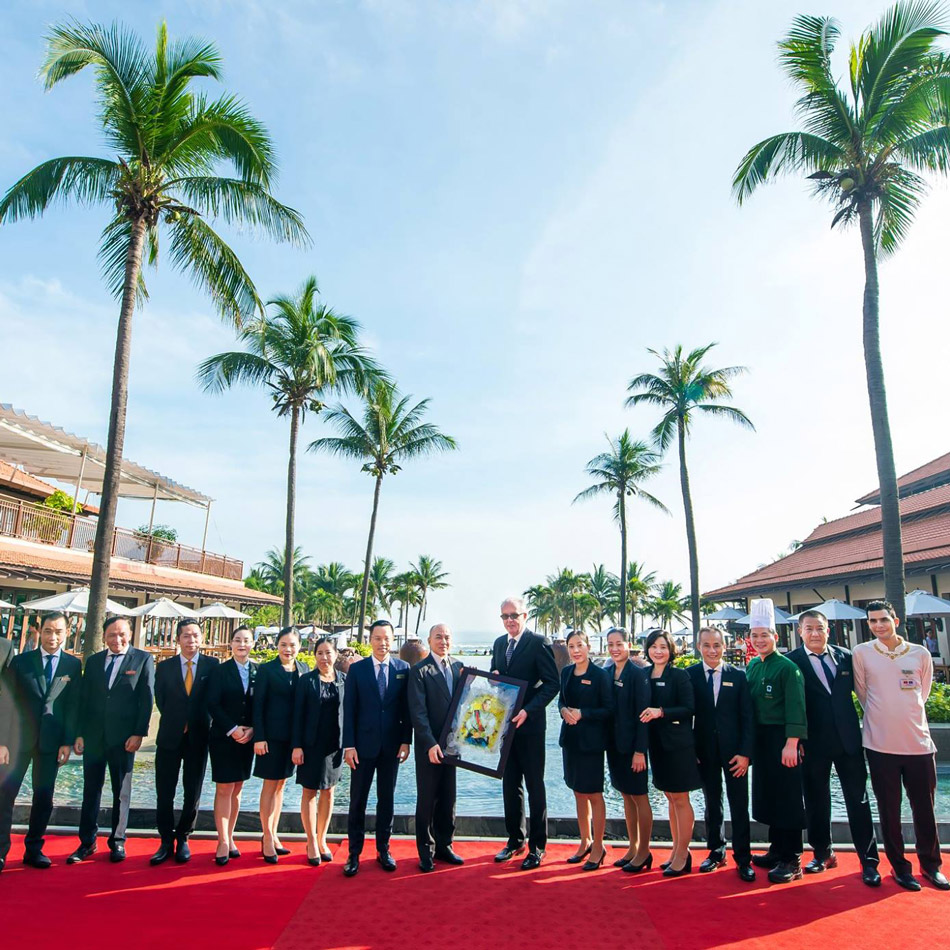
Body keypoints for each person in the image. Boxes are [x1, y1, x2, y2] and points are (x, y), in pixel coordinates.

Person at [853, 600, 947, 891]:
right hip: (880, 745)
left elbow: (923, 692)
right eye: (872, 621)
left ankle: (931, 865)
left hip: (918, 743)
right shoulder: (862, 653)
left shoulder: (919, 654)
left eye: (883, 619)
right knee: (889, 810)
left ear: (895, 619)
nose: (878, 625)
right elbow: (863, 693)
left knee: (925, 808)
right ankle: (899, 866)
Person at [787, 610, 881, 886]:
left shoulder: (847, 657)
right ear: (800, 632)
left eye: (820, 628)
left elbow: (866, 691)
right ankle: (822, 853)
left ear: (828, 630)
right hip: (812, 744)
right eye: (809, 629)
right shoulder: (792, 662)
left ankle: (869, 861)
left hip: (848, 742)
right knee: (816, 801)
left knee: (859, 800)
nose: (815, 633)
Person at [68, 616, 154, 865]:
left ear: (130, 634)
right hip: (94, 737)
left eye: (122, 634)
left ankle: (117, 841)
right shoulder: (94, 661)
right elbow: (84, 700)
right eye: (111, 635)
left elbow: (146, 699)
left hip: (124, 738)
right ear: (104, 636)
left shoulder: (142, 659)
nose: (117, 640)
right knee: (90, 791)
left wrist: (139, 732)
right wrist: (80, 733)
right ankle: (87, 841)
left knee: (120, 792)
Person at [0, 611, 81, 871]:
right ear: (38, 631)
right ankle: (1, 852)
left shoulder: (72, 665)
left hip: (51, 743)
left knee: (43, 797)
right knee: (5, 796)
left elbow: (72, 708)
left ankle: (34, 849)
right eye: (48, 631)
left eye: (58, 631)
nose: (53, 636)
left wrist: (67, 742)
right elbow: (6, 703)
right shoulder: (21, 662)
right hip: (16, 741)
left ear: (66, 633)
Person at [491, 596, 559, 870]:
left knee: (534, 786)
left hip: (530, 727)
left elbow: (551, 684)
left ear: (525, 615)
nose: (509, 620)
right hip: (506, 728)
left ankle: (537, 847)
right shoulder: (498, 644)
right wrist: (494, 679)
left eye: (514, 615)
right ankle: (515, 840)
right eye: (505, 616)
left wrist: (529, 710)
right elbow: (499, 682)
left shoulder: (538, 642)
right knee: (510, 785)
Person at [342, 620, 411, 876]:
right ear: (370, 640)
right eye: (378, 638)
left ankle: (384, 849)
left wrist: (406, 740)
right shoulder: (357, 670)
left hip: (392, 747)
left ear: (393, 641)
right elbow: (349, 710)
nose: (382, 643)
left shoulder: (403, 669)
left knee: (387, 799)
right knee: (357, 800)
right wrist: (348, 745)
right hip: (362, 746)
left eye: (387, 639)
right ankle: (353, 853)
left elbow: (406, 709)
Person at [745, 599, 808, 884]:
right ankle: (776, 849)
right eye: (755, 635)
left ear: (776, 637)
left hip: (783, 739)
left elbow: (797, 706)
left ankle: (792, 858)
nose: (759, 640)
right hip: (762, 740)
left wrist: (791, 742)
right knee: (769, 795)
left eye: (764, 635)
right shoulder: (753, 667)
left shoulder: (787, 667)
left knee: (788, 798)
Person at [687, 626, 756, 882]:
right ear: (698, 647)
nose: (712, 650)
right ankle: (716, 851)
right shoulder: (691, 676)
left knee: (739, 806)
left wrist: (745, 753)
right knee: (711, 804)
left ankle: (743, 858)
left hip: (735, 754)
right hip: (705, 753)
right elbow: (687, 717)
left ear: (724, 647)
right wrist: (691, 751)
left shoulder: (738, 676)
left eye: (717, 645)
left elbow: (748, 718)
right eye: (706, 645)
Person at [150, 618, 219, 866]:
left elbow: (214, 700)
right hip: (170, 735)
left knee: (193, 790)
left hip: (199, 737)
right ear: (178, 639)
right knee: (164, 790)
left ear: (202, 639)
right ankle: (165, 839)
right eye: (186, 636)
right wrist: (179, 720)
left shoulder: (212, 665)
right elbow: (160, 699)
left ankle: (184, 836)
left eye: (196, 635)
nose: (192, 640)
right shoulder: (165, 667)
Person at [640, 629, 701, 877]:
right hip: (656, 745)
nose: (658, 651)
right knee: (669, 796)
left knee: (680, 798)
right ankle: (676, 850)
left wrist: (661, 711)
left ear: (671, 649)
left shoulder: (679, 675)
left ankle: (682, 853)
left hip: (678, 745)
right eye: (654, 646)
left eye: (663, 646)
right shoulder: (643, 674)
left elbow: (689, 708)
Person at [408, 623, 465, 872]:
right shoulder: (420, 671)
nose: (443, 641)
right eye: (438, 637)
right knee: (427, 799)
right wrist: (429, 743)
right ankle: (426, 851)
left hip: (453, 746)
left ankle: (445, 845)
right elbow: (418, 713)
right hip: (428, 747)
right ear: (429, 640)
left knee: (448, 798)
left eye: (447, 637)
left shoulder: (459, 667)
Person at [558, 629, 612, 871]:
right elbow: (561, 699)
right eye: (571, 646)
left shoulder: (600, 675)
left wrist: (583, 714)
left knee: (594, 794)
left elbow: (609, 710)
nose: (576, 650)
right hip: (570, 740)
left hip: (591, 743)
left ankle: (599, 846)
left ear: (588, 646)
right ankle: (585, 841)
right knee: (578, 792)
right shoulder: (567, 672)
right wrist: (563, 711)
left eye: (580, 645)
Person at [253, 627, 307, 863]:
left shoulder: (304, 670)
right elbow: (258, 706)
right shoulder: (266, 670)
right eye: (284, 644)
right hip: (270, 738)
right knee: (269, 785)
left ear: (300, 647)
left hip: (293, 739)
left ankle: (274, 834)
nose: (288, 649)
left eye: (292, 645)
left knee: (281, 786)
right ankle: (266, 836)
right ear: (277, 645)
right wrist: (260, 737)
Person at [292, 636, 346, 866]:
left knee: (329, 792)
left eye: (328, 653)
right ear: (315, 656)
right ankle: (311, 840)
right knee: (309, 792)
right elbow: (297, 715)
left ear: (336, 655)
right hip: (310, 745)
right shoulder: (306, 681)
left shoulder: (344, 680)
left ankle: (323, 838)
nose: (324, 657)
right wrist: (296, 746)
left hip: (335, 746)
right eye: (320, 653)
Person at [207, 626, 258, 866]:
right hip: (224, 737)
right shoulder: (220, 671)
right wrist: (232, 729)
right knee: (224, 788)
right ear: (230, 644)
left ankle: (231, 835)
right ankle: (222, 840)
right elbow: (213, 704)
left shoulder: (258, 671)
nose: (242, 644)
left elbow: (261, 704)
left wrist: (252, 729)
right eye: (237, 640)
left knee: (238, 788)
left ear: (253, 644)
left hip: (248, 738)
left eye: (246, 640)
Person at [603, 629, 652, 872]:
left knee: (640, 796)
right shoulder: (607, 672)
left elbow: (644, 715)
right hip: (614, 746)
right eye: (610, 644)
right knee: (625, 795)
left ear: (628, 644)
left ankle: (644, 851)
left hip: (634, 747)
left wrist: (640, 751)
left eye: (619, 643)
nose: (614, 648)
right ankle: (632, 847)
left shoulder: (638, 674)